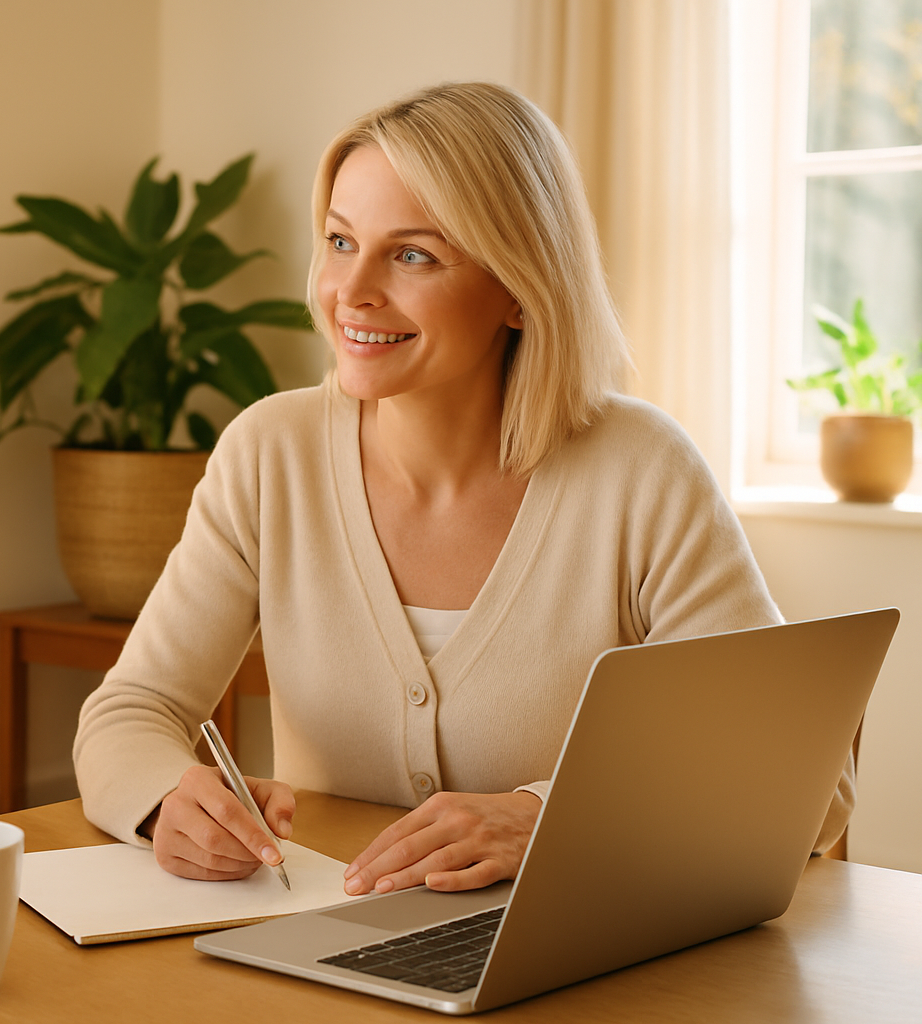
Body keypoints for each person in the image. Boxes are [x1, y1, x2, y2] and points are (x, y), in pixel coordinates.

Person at [73, 82, 853, 897]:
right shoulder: (270, 454)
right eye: (340, 241)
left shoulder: (639, 470)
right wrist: (169, 801)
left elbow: (807, 787)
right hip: (327, 951)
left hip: (575, 952)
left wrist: (551, 815)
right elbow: (132, 712)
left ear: (520, 287)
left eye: (413, 254)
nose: (353, 290)